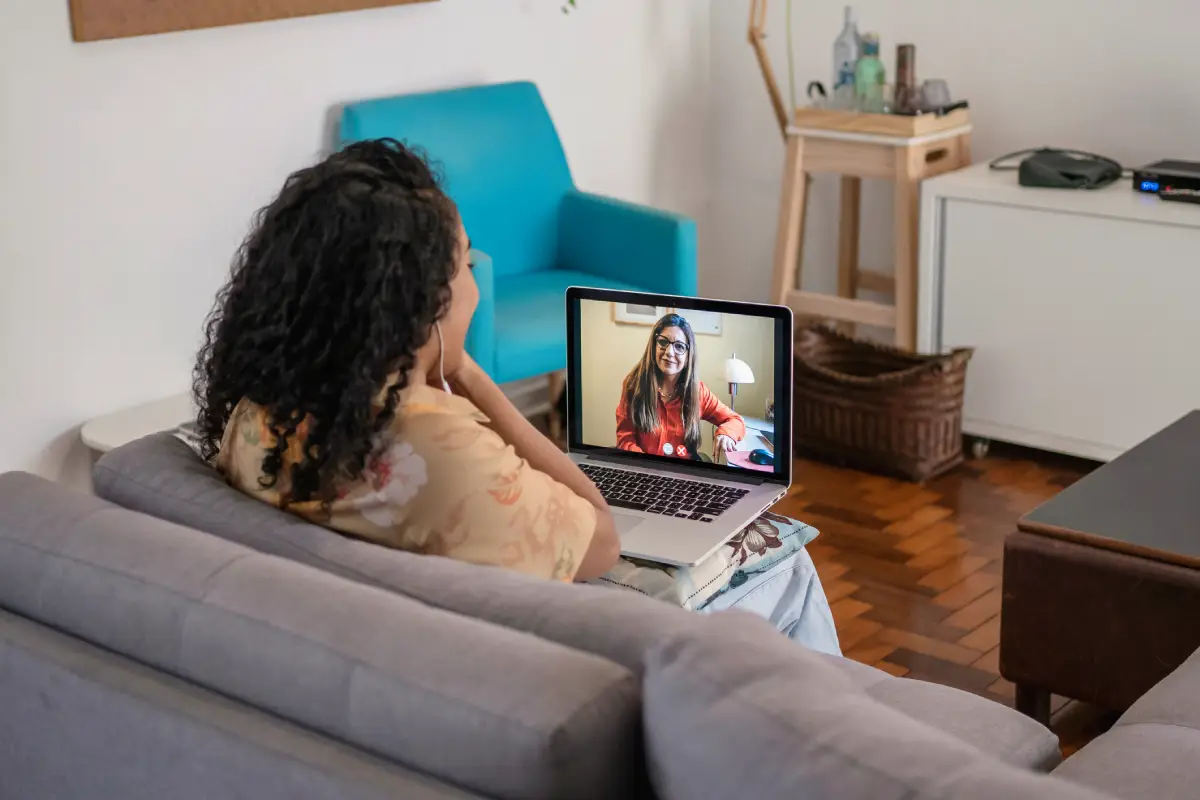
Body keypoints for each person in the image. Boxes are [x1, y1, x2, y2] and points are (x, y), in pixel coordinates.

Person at [193, 139, 620, 583]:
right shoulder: (442, 454)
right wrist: (467, 374)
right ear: (425, 308)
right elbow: (602, 540)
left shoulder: (255, 419)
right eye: (466, 265)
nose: (475, 287)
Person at [616, 314, 746, 462]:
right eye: (663, 342)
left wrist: (726, 434)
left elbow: (735, 420)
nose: (669, 352)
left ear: (688, 356)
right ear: (653, 347)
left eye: (679, 346)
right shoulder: (634, 385)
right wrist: (648, 466)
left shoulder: (698, 392)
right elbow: (625, 440)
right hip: (644, 471)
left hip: (682, 474)